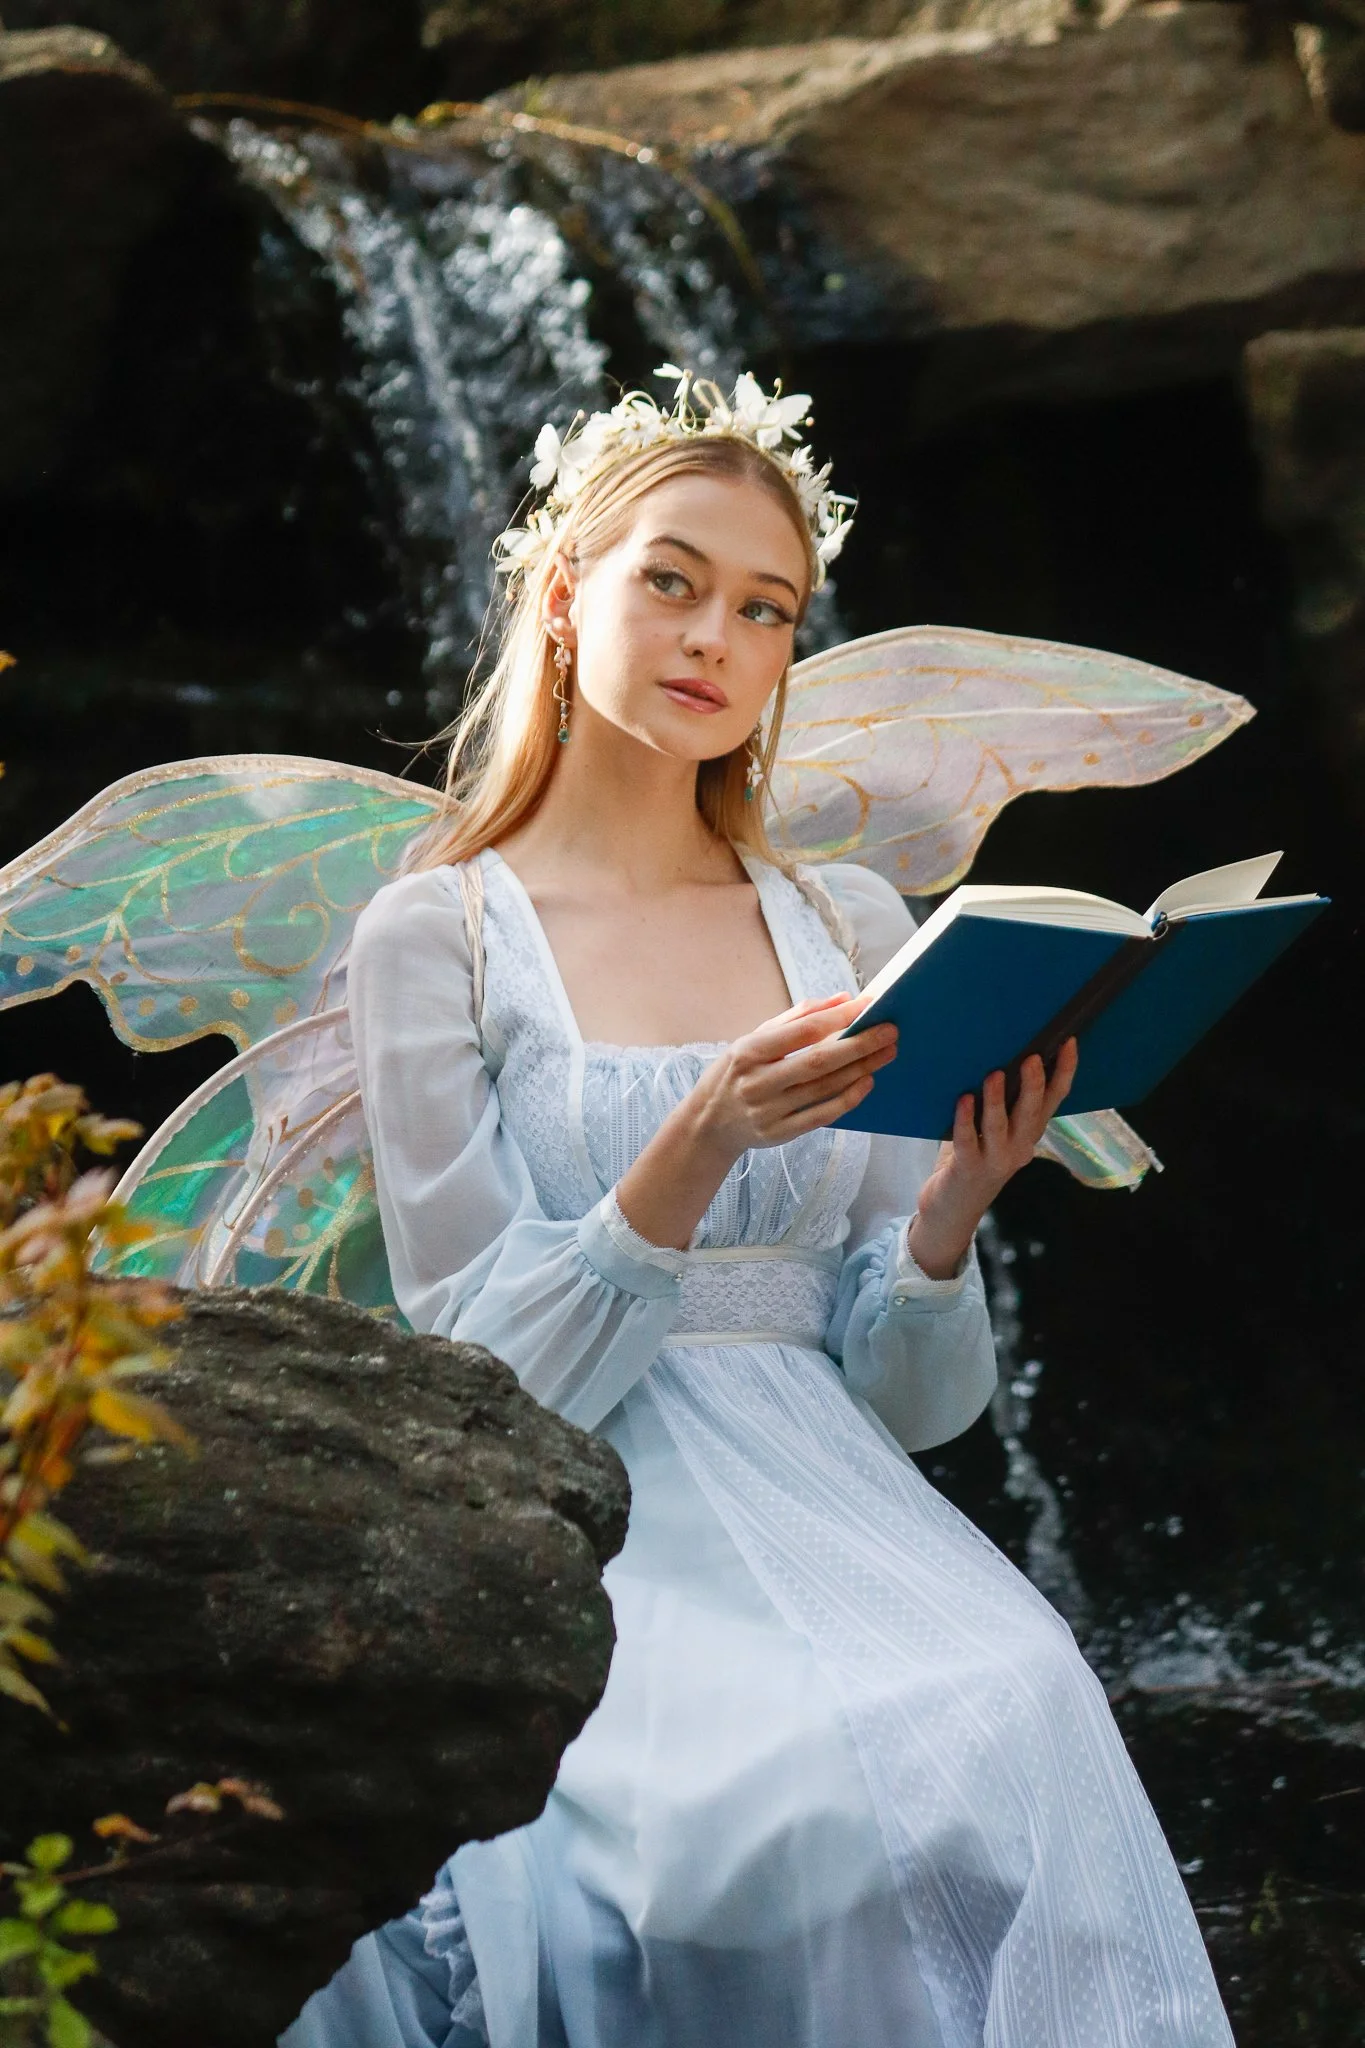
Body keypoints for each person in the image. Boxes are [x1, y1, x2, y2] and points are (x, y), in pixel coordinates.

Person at [274, 374, 1233, 2048]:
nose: (717, 635)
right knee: (775, 1818)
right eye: (673, 580)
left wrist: (947, 1219)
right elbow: (485, 1382)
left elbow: (915, 1402)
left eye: (765, 608)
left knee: (1019, 1699)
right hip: (591, 1520)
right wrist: (691, 1145)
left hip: (834, 1487)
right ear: (563, 592)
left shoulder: (842, 918)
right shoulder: (439, 934)